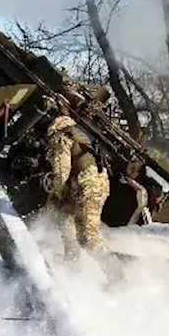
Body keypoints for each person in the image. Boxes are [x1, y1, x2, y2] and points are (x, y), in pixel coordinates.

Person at [42, 107, 112, 258]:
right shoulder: (78, 133)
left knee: (89, 235)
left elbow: (61, 173)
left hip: (87, 187)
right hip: (96, 184)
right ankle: (72, 263)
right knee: (73, 226)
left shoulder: (61, 137)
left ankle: (116, 275)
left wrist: (55, 194)